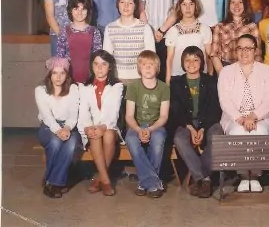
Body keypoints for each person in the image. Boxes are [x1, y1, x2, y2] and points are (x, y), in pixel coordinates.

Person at [217, 34, 269, 193]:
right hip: (234, 118)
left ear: (255, 50)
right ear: (236, 51)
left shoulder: (267, 70)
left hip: (260, 117)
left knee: (260, 132)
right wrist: (241, 119)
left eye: (248, 48)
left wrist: (253, 116)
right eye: (240, 48)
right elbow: (225, 101)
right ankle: (243, 176)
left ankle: (255, 176)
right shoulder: (226, 72)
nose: (244, 52)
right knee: (238, 133)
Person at [170, 46, 223, 198]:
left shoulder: (211, 81)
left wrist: (203, 128)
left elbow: (214, 108)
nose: (191, 63)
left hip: (208, 121)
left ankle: (197, 176)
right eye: (187, 60)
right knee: (179, 138)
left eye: (196, 59)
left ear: (202, 62)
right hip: (186, 123)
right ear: (182, 62)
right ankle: (204, 178)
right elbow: (176, 110)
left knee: (217, 136)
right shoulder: (176, 83)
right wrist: (191, 128)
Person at [78, 50, 123, 196]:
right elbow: (83, 111)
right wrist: (87, 127)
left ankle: (99, 178)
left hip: (110, 125)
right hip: (92, 126)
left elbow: (113, 112)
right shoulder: (84, 87)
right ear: (91, 66)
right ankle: (105, 180)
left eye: (104, 64)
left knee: (109, 135)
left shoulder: (117, 86)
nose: (99, 68)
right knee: (94, 134)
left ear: (110, 67)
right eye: (96, 64)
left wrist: (103, 126)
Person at [125, 50, 170, 198]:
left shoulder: (163, 88)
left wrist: (150, 129)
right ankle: (153, 183)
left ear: (157, 67)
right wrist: (139, 130)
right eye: (144, 65)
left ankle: (144, 182)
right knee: (131, 139)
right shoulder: (133, 86)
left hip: (156, 125)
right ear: (139, 68)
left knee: (157, 140)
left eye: (151, 65)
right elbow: (129, 116)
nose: (148, 68)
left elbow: (163, 116)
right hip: (137, 125)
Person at [35, 57, 80, 198]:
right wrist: (58, 130)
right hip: (48, 127)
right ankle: (55, 181)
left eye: (62, 73)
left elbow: (73, 114)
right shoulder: (40, 90)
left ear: (67, 75)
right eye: (55, 73)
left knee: (71, 143)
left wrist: (66, 128)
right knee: (55, 142)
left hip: (68, 126)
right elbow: (46, 116)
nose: (58, 77)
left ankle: (53, 182)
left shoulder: (73, 89)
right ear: (49, 74)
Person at [103, 0, 155, 84]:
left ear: (135, 6)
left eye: (130, 3)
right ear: (117, 5)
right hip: (117, 79)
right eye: (122, 2)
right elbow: (107, 57)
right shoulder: (110, 28)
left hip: (140, 79)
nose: (126, 6)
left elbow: (151, 57)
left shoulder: (145, 28)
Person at [164, 0, 212, 84]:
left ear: (196, 6)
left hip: (200, 77)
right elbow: (169, 58)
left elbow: (208, 55)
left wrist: (210, 75)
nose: (188, 8)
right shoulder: (173, 30)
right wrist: (167, 79)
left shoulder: (204, 28)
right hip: (178, 77)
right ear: (179, 7)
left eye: (191, 4)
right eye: (184, 4)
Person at [211, 0, 262, 74]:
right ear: (228, 5)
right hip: (225, 68)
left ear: (245, 5)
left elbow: (257, 55)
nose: (236, 6)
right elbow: (215, 55)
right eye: (233, 2)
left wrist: (252, 75)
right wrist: (223, 74)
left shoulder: (252, 27)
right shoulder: (220, 27)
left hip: (248, 69)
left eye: (240, 2)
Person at [57, 0, 102, 83]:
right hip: (68, 79)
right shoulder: (64, 31)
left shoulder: (94, 32)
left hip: (90, 78)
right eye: (76, 8)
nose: (79, 12)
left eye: (83, 9)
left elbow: (97, 57)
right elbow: (60, 58)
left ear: (88, 11)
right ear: (70, 10)